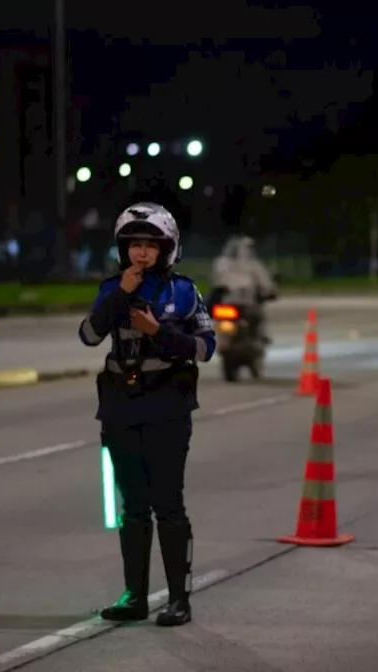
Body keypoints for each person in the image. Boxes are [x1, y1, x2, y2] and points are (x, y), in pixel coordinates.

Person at [77, 202, 217, 626]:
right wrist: (119, 294)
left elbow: (206, 348)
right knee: (133, 508)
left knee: (168, 505)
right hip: (121, 410)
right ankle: (134, 596)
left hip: (168, 409)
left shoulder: (183, 293)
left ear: (166, 249)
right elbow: (87, 335)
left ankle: (179, 599)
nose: (141, 253)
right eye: (134, 244)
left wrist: (161, 332)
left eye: (149, 245)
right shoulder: (111, 290)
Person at [209, 235, 278, 341]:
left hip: (226, 303)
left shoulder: (220, 263)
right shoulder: (253, 264)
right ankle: (261, 335)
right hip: (247, 304)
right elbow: (265, 284)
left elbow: (215, 281)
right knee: (259, 316)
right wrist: (269, 292)